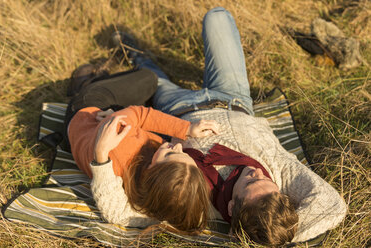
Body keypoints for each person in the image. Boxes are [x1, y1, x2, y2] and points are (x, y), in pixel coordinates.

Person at [115, 6, 347, 246]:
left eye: (251, 182)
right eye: (266, 180)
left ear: (232, 205)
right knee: (217, 17)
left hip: (178, 108)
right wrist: (279, 232)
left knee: (148, 75)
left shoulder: (198, 201)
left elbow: (126, 213)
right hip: (232, 97)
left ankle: (130, 49)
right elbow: (333, 206)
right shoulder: (280, 172)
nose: (257, 173)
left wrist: (100, 160)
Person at [64, 66, 220, 232]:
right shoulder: (160, 203)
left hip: (87, 112)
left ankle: (87, 83)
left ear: (151, 171)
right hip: (96, 130)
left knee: (148, 78)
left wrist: (186, 129)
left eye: (169, 153)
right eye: (184, 154)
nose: (179, 146)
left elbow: (141, 115)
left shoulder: (119, 147)